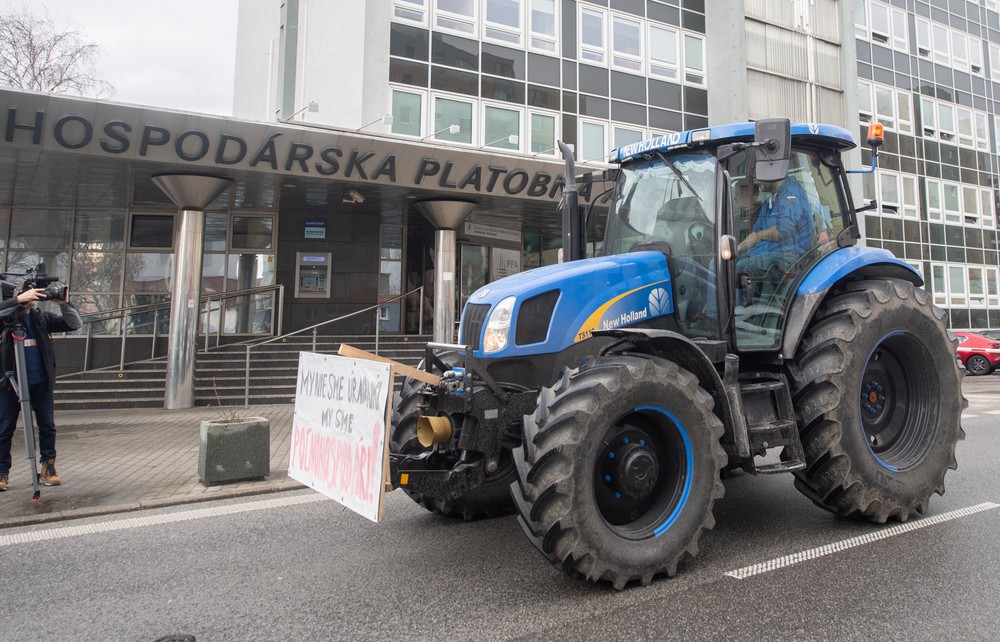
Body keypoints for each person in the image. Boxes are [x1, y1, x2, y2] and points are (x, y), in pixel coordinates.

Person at [0, 287, 82, 491]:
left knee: (47, 426)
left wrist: (65, 304)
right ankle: (2, 471)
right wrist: (17, 301)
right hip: (10, 384)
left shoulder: (42, 318)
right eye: (29, 293)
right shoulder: (6, 319)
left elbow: (74, 324)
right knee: (4, 429)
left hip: (41, 383)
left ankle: (48, 466)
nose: (33, 297)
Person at [735, 174, 814, 277]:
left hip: (789, 256)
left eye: (760, 174)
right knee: (729, 261)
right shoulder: (769, 203)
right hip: (769, 251)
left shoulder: (792, 193)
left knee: (740, 267)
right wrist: (736, 249)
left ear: (771, 171)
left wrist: (759, 235)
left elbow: (781, 231)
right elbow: (755, 234)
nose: (757, 181)